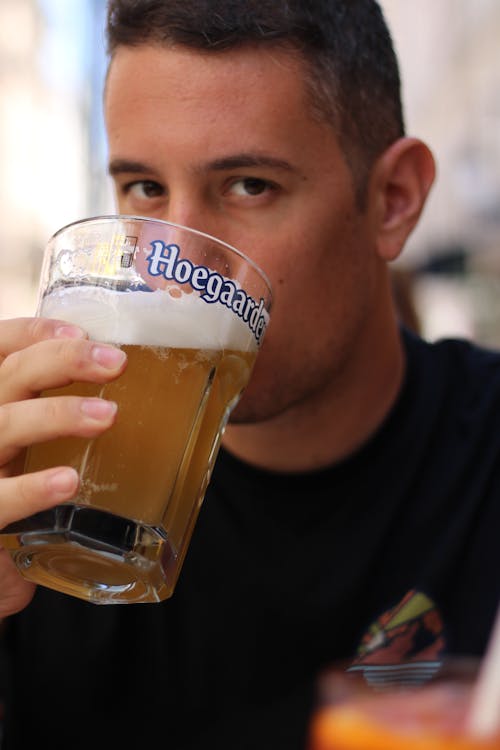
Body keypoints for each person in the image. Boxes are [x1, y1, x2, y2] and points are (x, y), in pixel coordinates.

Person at [0, 1, 499, 748]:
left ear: (393, 200)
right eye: (144, 190)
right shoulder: (42, 492)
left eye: (249, 186)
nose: (180, 269)